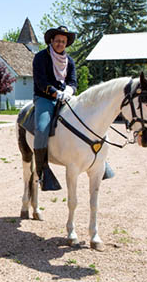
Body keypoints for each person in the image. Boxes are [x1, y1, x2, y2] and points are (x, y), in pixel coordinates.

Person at [33, 26, 113, 191]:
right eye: (57, 40)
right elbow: (40, 81)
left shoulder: (70, 61)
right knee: (41, 128)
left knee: (89, 120)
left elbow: (73, 81)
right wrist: (55, 93)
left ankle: (100, 161)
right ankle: (42, 171)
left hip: (66, 97)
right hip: (45, 98)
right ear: (51, 41)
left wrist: (69, 91)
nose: (60, 43)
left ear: (66, 43)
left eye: (63, 41)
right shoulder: (40, 57)